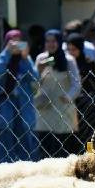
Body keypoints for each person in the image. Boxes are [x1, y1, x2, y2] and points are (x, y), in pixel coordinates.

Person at [0, 30, 39, 162]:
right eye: (13, 41)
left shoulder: (25, 59)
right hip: (5, 102)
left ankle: (26, 164)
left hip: (23, 103)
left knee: (25, 133)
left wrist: (25, 58)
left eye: (19, 41)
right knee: (5, 131)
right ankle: (5, 164)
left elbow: (35, 77)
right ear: (6, 43)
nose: (16, 44)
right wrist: (7, 53)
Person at [33, 30, 80, 159]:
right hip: (45, 108)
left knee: (64, 146)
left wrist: (68, 96)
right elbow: (33, 83)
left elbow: (76, 84)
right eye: (48, 41)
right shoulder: (41, 58)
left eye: (53, 41)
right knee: (46, 146)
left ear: (59, 42)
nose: (50, 44)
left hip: (63, 107)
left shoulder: (68, 59)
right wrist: (39, 70)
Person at [66, 33, 95, 147]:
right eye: (69, 49)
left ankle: (90, 156)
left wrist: (84, 79)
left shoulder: (89, 63)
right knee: (71, 135)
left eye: (74, 49)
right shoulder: (65, 64)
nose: (71, 52)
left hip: (87, 104)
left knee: (88, 134)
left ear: (80, 49)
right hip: (69, 104)